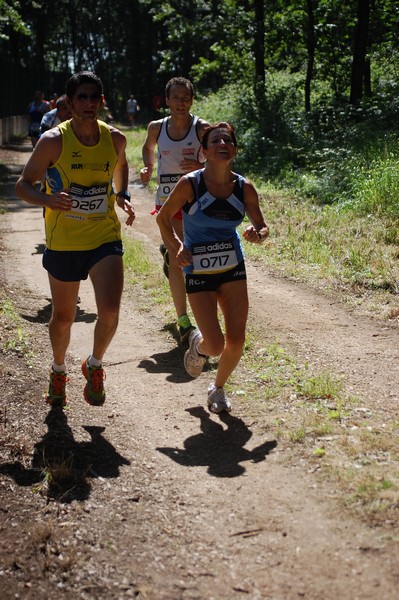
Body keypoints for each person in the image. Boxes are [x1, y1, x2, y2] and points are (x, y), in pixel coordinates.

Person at [16, 71, 135, 408]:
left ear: (101, 101)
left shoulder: (115, 139)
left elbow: (121, 165)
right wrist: (49, 200)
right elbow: (23, 185)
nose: (87, 104)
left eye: (93, 98)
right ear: (69, 103)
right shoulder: (53, 141)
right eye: (80, 98)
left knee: (110, 312)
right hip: (65, 240)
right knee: (64, 316)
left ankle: (95, 365)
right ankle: (58, 370)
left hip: (103, 236)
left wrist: (122, 193)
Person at [156, 122, 269, 414]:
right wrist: (178, 245)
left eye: (228, 141)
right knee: (216, 345)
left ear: (234, 150)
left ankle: (217, 388)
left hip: (232, 266)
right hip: (198, 270)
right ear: (204, 151)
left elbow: (262, 225)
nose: (222, 144)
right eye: (215, 141)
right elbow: (163, 218)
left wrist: (259, 234)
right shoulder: (190, 184)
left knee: (237, 340)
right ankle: (199, 347)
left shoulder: (244, 188)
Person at [140, 76, 210, 343]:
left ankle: (201, 313)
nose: (181, 102)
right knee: (181, 257)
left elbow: (217, 157)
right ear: (166, 100)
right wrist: (147, 167)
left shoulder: (202, 127)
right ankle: (183, 322)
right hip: (168, 203)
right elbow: (147, 148)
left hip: (195, 201)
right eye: (176, 97)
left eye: (186, 97)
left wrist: (200, 168)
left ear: (192, 100)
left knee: (195, 257)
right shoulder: (157, 128)